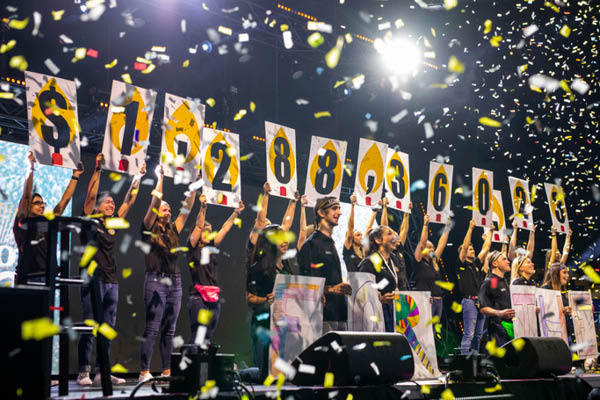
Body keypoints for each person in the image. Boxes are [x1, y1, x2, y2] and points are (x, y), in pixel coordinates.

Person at [77, 153, 144, 386]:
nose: (111, 204)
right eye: (107, 202)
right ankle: (83, 372)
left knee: (107, 329)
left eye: (112, 204)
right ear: (97, 207)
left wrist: (137, 177)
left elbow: (129, 201)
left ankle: (101, 370)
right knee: (90, 325)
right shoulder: (91, 220)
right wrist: (97, 169)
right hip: (92, 280)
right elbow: (90, 195)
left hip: (112, 280)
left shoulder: (113, 223)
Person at [138, 167, 197, 382]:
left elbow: (187, 209)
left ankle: (166, 370)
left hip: (176, 282)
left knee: (169, 330)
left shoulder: (173, 229)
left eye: (169, 209)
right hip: (155, 280)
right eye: (164, 208)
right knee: (152, 328)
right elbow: (154, 203)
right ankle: (144, 371)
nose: (168, 210)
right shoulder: (148, 228)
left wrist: (195, 186)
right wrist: (161, 178)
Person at [13, 151, 83, 284]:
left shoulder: (46, 223)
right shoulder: (22, 221)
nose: (42, 206)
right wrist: (31, 167)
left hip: (46, 276)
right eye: (37, 203)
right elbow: (27, 195)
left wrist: (76, 175)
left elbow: (63, 203)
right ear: (28, 206)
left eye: (42, 203)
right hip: (27, 277)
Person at [186, 194, 245, 344]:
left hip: (213, 297)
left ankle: (205, 367)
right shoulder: (192, 248)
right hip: (198, 297)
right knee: (197, 336)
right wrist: (203, 207)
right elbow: (199, 226)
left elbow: (225, 229)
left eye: (210, 230)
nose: (208, 232)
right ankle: (193, 366)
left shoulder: (211, 247)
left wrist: (236, 212)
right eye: (206, 230)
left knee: (207, 339)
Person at [246, 224, 297, 380]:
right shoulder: (258, 268)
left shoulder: (286, 267)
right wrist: (265, 299)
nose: (284, 242)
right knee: (264, 374)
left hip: (283, 325)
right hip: (264, 324)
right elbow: (249, 298)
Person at [298, 196, 352, 332]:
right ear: (321, 213)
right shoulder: (310, 245)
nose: (339, 212)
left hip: (340, 315)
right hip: (323, 317)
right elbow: (307, 287)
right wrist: (333, 289)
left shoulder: (331, 243)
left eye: (339, 208)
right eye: (334, 208)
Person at [457, 220, 493, 355]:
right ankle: (465, 363)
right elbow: (465, 246)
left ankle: (475, 363)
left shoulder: (475, 264)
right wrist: (470, 228)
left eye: (473, 249)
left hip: (480, 303)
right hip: (469, 302)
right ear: (464, 253)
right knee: (469, 334)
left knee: (478, 336)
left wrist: (490, 232)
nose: (473, 251)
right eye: (470, 250)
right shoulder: (461, 265)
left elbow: (486, 249)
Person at [357, 225, 399, 332]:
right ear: (378, 240)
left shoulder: (392, 261)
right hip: (376, 315)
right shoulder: (369, 262)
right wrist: (379, 298)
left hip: (391, 311)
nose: (395, 236)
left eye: (394, 233)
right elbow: (361, 292)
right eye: (389, 234)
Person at [413, 214, 450, 319]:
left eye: (433, 248)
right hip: (426, 301)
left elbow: (442, 243)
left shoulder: (434, 261)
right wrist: (426, 225)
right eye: (429, 248)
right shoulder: (419, 261)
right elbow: (422, 243)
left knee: (433, 333)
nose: (432, 250)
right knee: (425, 331)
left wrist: (447, 226)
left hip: (438, 301)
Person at [479, 251, 515, 347]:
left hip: (511, 326)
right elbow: (483, 308)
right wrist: (499, 313)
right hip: (498, 328)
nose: (508, 261)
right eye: (504, 259)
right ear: (495, 263)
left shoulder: (504, 281)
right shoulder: (488, 282)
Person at [382, 199, 411, 291]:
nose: (396, 237)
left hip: (403, 289)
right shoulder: (386, 249)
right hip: (390, 290)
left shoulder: (398, 248)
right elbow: (383, 228)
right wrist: (385, 207)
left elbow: (404, 230)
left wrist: (407, 212)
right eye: (392, 235)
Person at [342, 194, 368, 273]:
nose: (361, 237)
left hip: (366, 283)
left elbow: (369, 228)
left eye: (361, 235)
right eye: (358, 235)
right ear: (352, 238)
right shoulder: (348, 250)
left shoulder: (364, 252)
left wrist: (375, 211)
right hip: (353, 283)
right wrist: (352, 206)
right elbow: (350, 228)